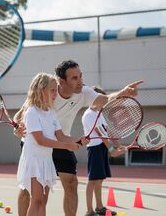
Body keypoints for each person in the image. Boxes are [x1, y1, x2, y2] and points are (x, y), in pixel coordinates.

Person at [15, 60, 143, 216]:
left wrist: (123, 92)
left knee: (70, 182)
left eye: (80, 76)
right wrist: (18, 128)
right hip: (37, 146)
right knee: (34, 193)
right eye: (74, 78)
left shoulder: (83, 91)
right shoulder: (45, 94)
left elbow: (105, 99)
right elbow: (20, 116)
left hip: (62, 140)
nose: (80, 81)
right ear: (61, 81)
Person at [16, 72, 82, 216]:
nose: (55, 93)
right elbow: (41, 140)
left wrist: (79, 140)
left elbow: (61, 136)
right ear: (41, 90)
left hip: (46, 160)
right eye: (52, 90)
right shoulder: (32, 112)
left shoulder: (51, 112)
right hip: (33, 161)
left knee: (42, 201)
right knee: (37, 200)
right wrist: (67, 146)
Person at [82, 86, 126, 216]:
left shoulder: (99, 114)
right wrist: (112, 149)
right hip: (94, 149)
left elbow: (109, 131)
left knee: (99, 179)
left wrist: (118, 146)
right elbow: (101, 134)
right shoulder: (89, 115)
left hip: (101, 148)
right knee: (92, 180)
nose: (104, 102)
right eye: (102, 100)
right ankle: (89, 211)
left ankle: (100, 207)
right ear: (93, 99)